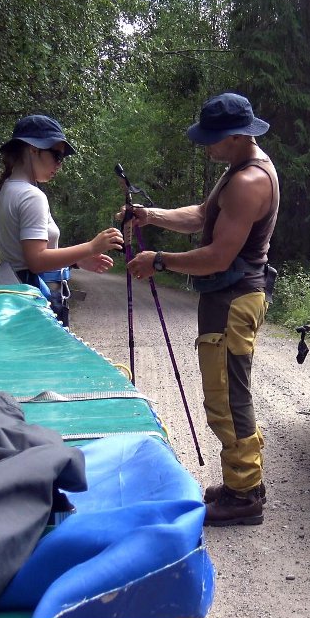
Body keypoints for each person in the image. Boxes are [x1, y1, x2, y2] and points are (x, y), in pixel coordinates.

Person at [123, 92, 279, 527]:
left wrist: (159, 261)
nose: (204, 145)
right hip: (228, 298)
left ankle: (244, 495)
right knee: (228, 394)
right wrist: (150, 215)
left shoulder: (249, 182)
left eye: (210, 138)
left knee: (227, 399)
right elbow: (201, 216)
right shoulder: (239, 169)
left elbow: (217, 257)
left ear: (233, 136)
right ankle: (241, 483)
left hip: (234, 299)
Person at [0, 114, 124, 325]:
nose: (60, 165)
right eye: (57, 156)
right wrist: (91, 247)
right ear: (33, 149)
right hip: (35, 301)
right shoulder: (31, 196)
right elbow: (36, 261)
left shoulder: (7, 189)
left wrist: (75, 260)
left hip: (15, 297)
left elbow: (24, 257)